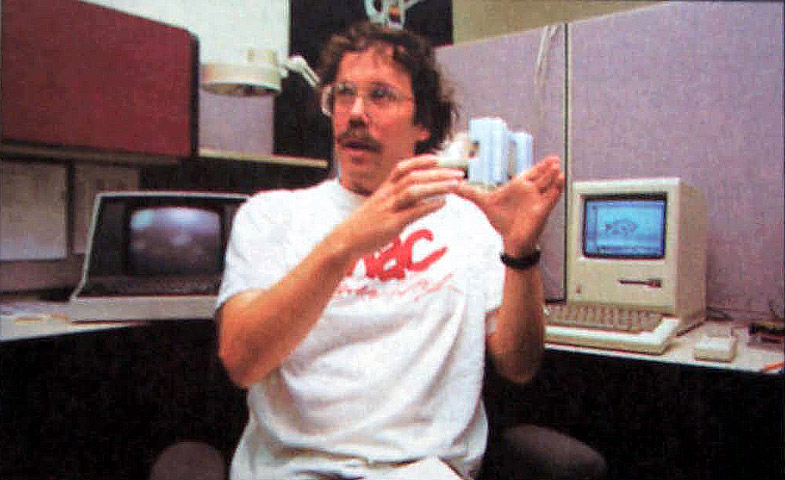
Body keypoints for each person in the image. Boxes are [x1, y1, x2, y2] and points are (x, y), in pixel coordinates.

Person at [215, 20, 564, 480]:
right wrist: (348, 242)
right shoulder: (270, 216)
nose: (356, 113)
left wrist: (520, 251)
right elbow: (241, 362)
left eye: (380, 95)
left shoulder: (468, 222)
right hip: (293, 470)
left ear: (423, 123)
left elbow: (519, 366)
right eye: (343, 94)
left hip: (421, 471)